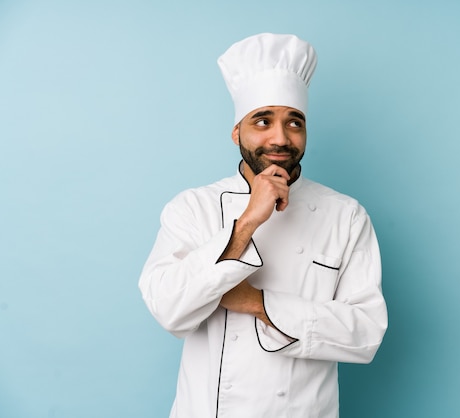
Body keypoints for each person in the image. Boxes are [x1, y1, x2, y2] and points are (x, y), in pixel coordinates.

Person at [139, 32, 388, 418]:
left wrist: (258, 303)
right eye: (262, 120)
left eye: (294, 122)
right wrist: (248, 222)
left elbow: (366, 334)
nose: (280, 137)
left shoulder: (346, 215)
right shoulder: (192, 207)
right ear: (237, 131)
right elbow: (169, 311)